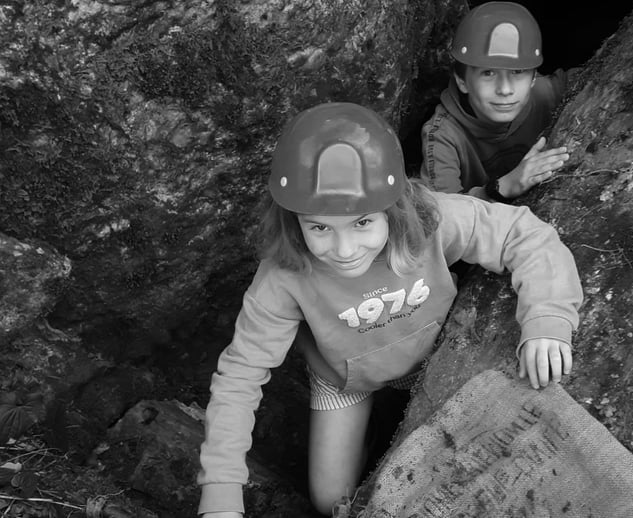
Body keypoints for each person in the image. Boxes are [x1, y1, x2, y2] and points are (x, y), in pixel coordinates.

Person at [197, 102, 583, 517]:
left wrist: (547, 318)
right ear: (294, 221)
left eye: (362, 222)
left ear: (393, 205)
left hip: (430, 355)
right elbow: (240, 376)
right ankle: (372, 437)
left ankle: (388, 421)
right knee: (330, 502)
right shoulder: (283, 275)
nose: (344, 250)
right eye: (320, 227)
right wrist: (220, 491)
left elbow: (521, 234)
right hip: (344, 378)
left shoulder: (428, 219)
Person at [420, 1, 572, 202]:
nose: (505, 89)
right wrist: (504, 187)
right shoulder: (443, 135)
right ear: (462, 81)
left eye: (517, 72)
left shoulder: (549, 93)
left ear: (533, 78)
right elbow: (441, 212)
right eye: (488, 73)